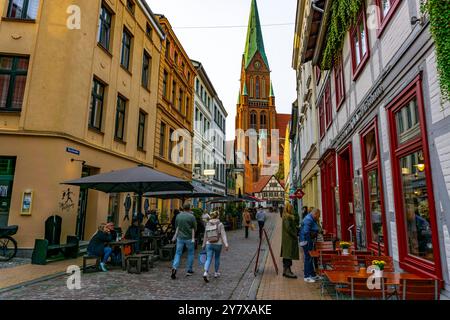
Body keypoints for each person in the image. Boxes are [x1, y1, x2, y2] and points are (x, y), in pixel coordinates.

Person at [171, 202, 197, 279]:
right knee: (190, 253)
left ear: (183, 208)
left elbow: (176, 226)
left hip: (180, 238)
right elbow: (195, 228)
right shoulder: (191, 217)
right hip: (189, 238)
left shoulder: (178, 216)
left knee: (178, 253)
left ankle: (174, 267)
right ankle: (189, 270)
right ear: (189, 208)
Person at [202, 211, 229, 282]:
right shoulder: (220, 224)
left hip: (209, 243)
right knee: (217, 258)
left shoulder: (207, 223)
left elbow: (205, 235)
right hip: (218, 243)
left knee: (208, 258)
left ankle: (205, 272)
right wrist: (226, 244)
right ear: (218, 216)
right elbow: (223, 235)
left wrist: (203, 244)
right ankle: (216, 273)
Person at [300, 208, 321, 283]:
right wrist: (309, 243)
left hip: (307, 241)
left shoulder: (311, 218)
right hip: (306, 241)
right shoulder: (308, 219)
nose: (319, 217)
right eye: (318, 215)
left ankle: (312, 274)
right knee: (308, 258)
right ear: (315, 214)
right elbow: (306, 232)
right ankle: (307, 276)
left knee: (310, 258)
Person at [281, 203, 299, 278]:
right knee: (288, 255)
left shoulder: (287, 216)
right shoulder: (287, 217)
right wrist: (294, 234)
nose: (292, 210)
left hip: (287, 239)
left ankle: (286, 270)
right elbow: (288, 228)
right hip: (289, 239)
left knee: (287, 255)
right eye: (291, 208)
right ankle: (287, 271)